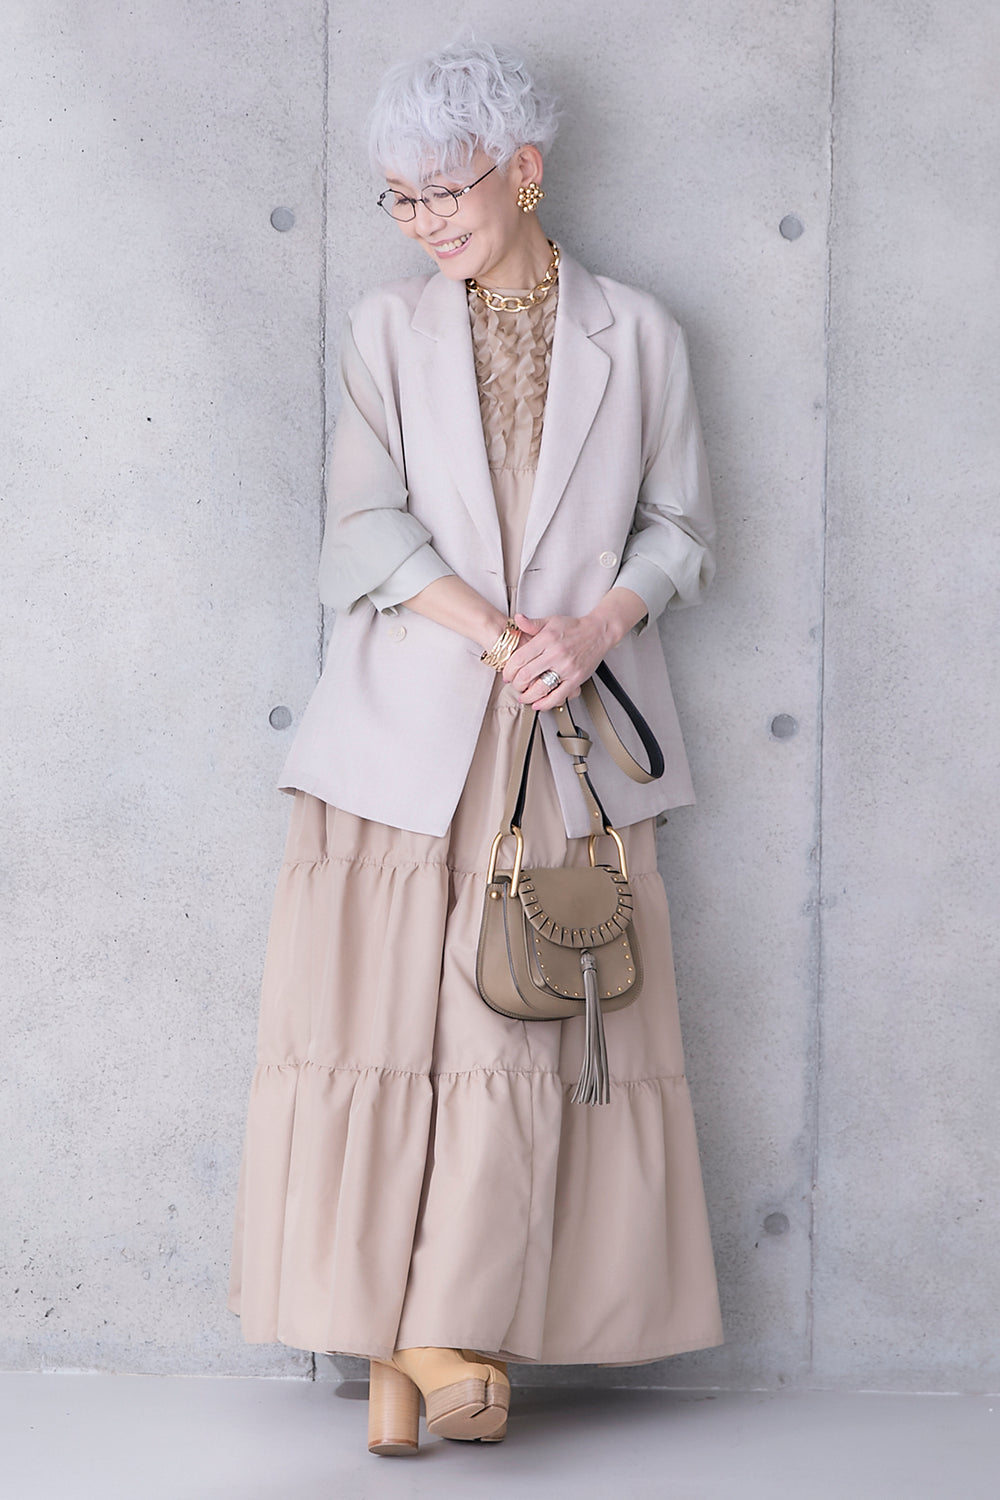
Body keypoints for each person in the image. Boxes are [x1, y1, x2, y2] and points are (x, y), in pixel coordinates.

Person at [228, 37, 723, 1456]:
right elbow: (362, 528)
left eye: (443, 189)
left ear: (524, 170)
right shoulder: (386, 330)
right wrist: (498, 632)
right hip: (404, 733)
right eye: (400, 197)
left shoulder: (641, 334)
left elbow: (684, 531)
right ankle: (415, 1347)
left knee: (517, 1033)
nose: (423, 220)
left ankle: (441, 1335)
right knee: (384, 1041)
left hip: (565, 734)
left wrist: (596, 626)